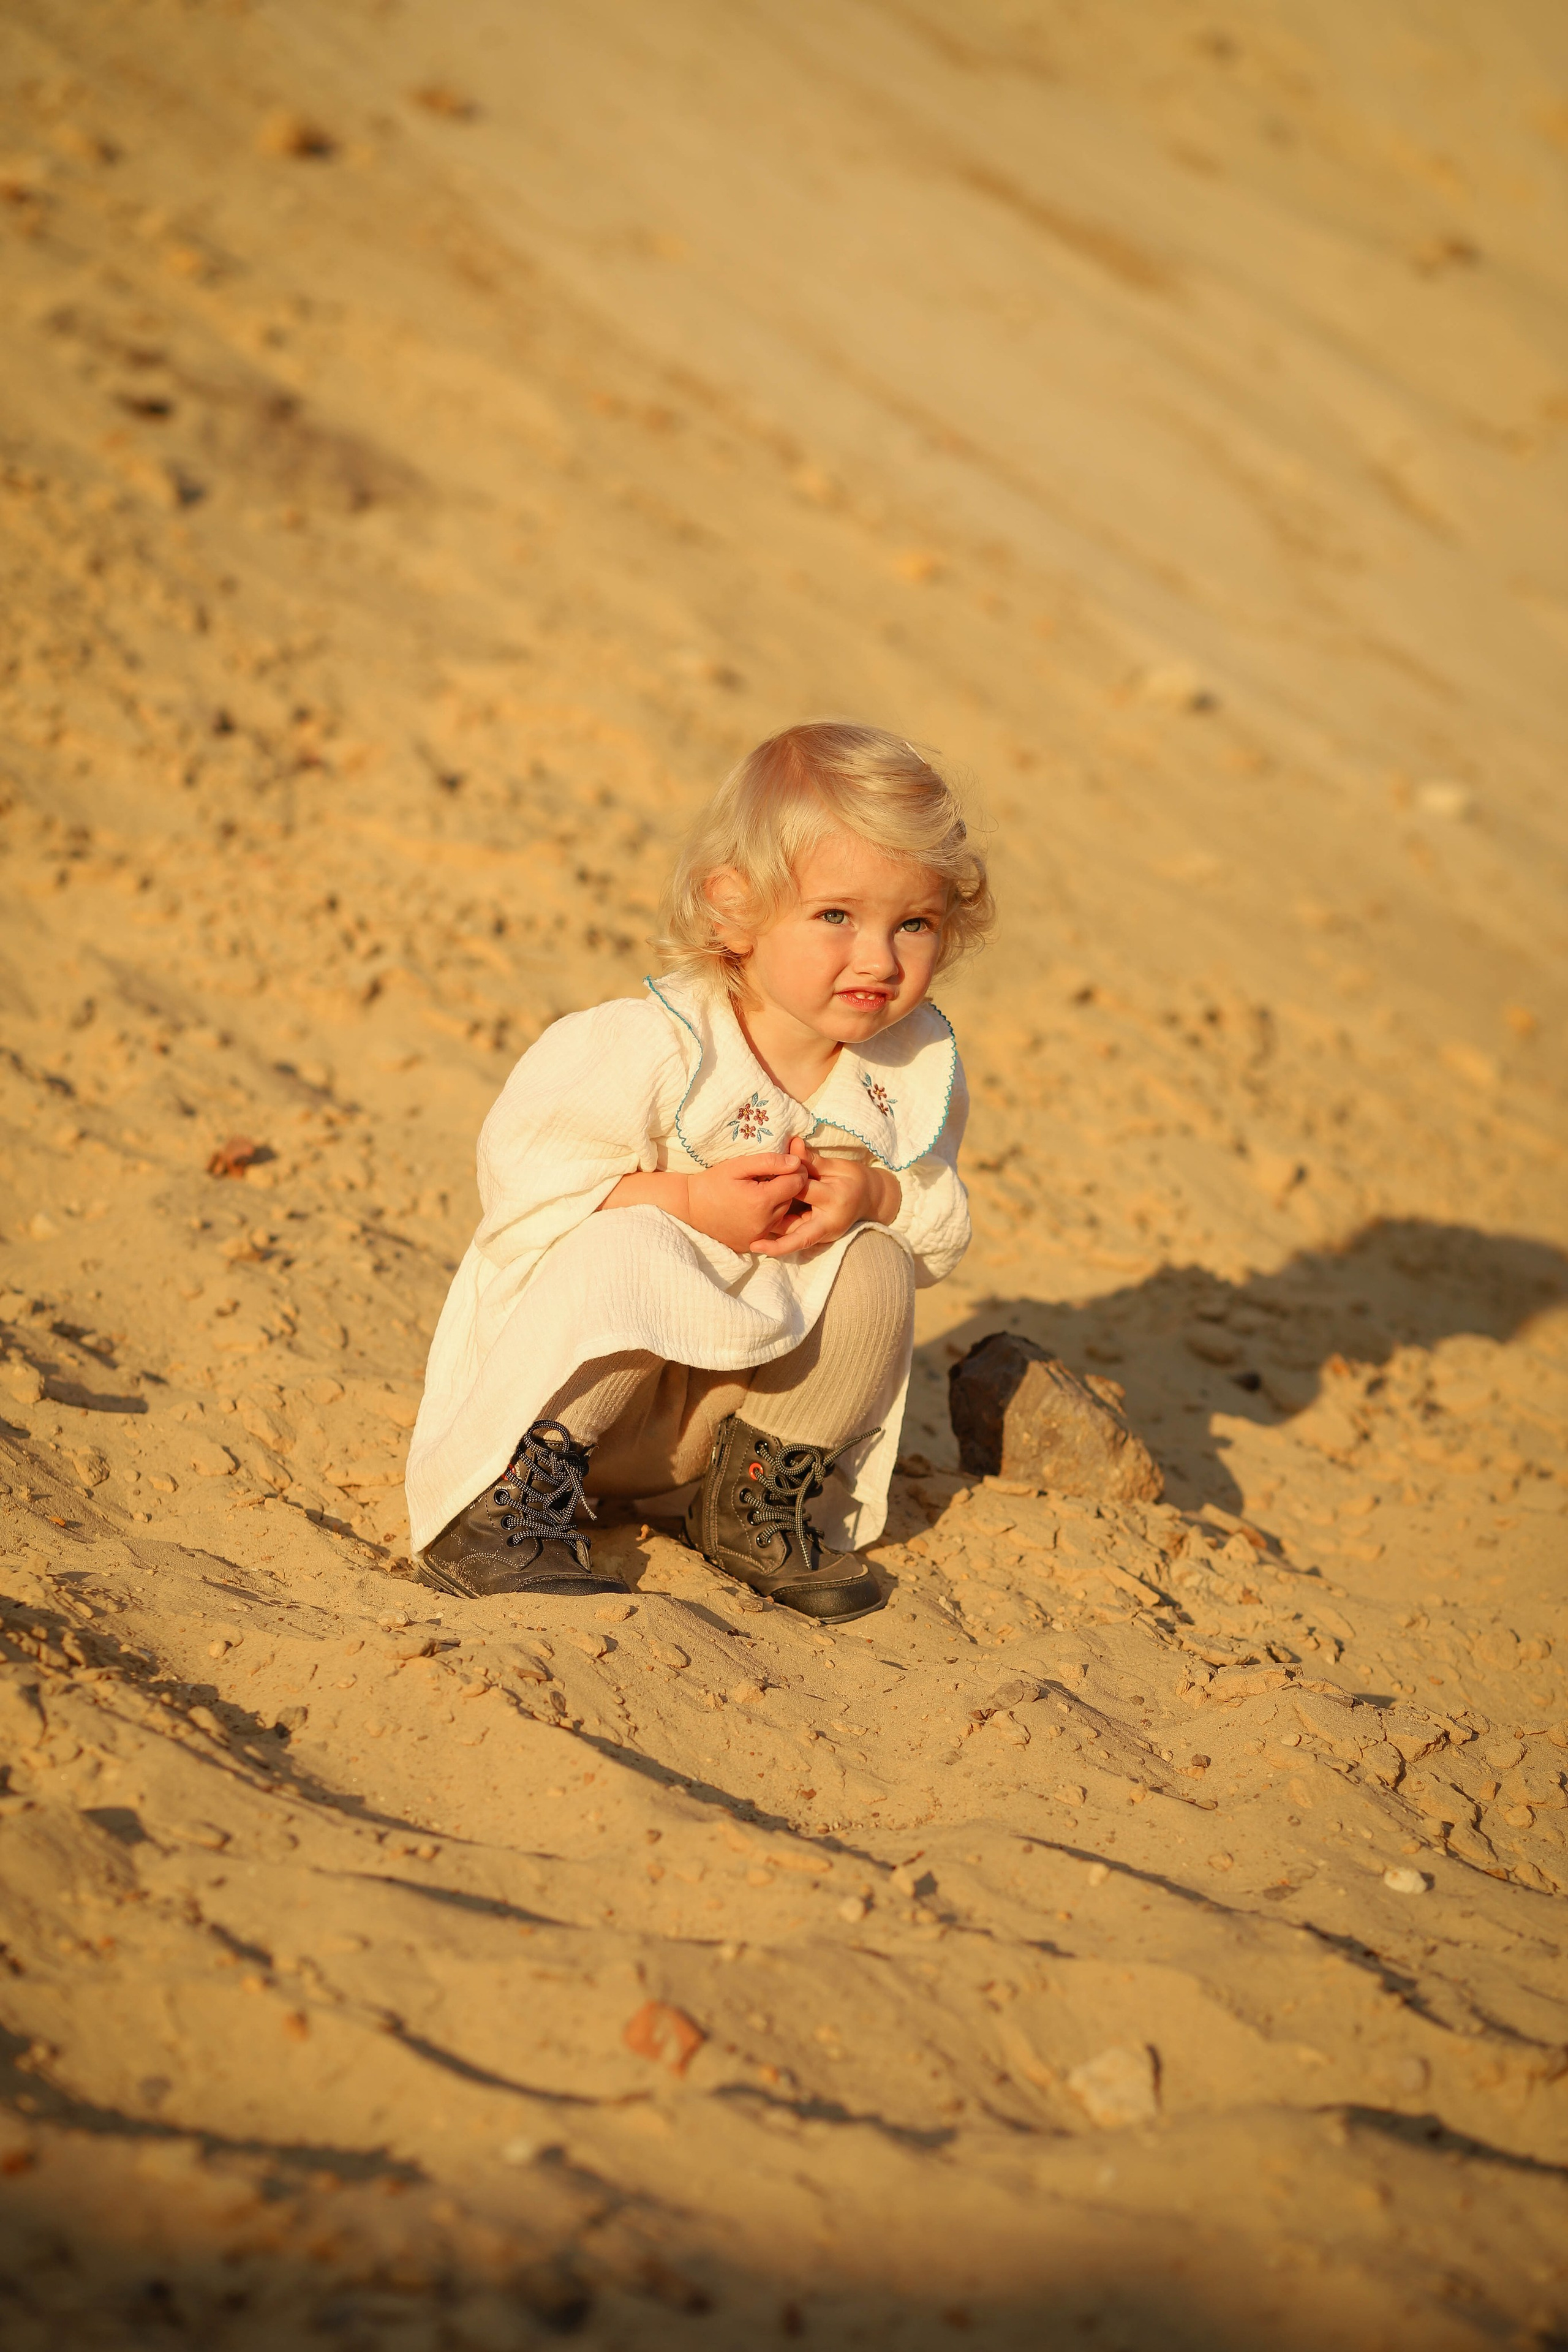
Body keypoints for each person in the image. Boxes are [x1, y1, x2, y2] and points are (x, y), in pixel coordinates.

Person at [405, 722, 991, 1622]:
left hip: (716, 1422)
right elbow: (524, 1188)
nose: (879, 959)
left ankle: (750, 1503)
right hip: (580, 1398)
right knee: (637, 1242)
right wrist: (683, 1199)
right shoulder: (655, 1046)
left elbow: (938, 1229)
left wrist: (874, 1196)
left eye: (913, 923)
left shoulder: (905, 1068)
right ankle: (499, 1506)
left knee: (874, 1258)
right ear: (734, 907)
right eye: (836, 916)